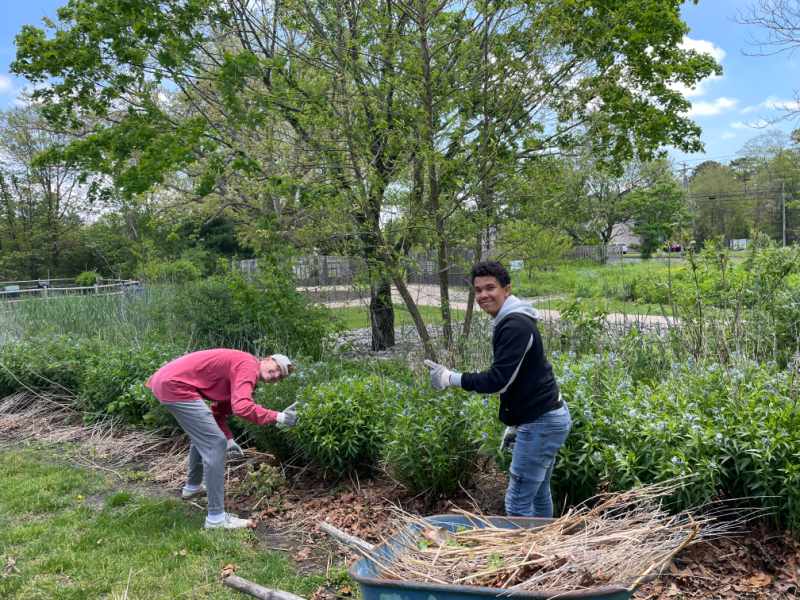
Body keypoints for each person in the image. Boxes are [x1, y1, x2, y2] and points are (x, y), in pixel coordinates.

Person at [425, 260, 571, 518]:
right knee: (538, 493)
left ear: (506, 289)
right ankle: (546, 547)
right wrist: (515, 422)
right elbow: (524, 378)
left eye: (489, 288)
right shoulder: (512, 320)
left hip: (541, 422)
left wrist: (450, 377)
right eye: (478, 290)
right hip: (545, 417)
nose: (483, 295)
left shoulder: (515, 325)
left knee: (517, 503)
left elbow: (497, 381)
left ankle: (528, 556)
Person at [147, 349, 299, 530]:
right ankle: (216, 518)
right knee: (213, 443)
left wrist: (228, 440)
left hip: (168, 382)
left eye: (280, 376)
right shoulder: (248, 366)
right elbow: (242, 407)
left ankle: (193, 486)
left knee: (206, 436)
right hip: (175, 386)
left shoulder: (245, 371)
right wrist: (279, 417)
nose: (275, 375)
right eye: (276, 369)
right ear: (267, 360)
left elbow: (218, 411)